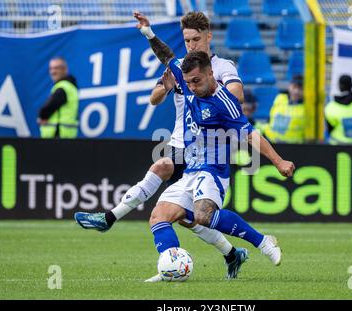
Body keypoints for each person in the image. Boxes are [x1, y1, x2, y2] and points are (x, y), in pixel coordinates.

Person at [75, 12, 249, 280]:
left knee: (163, 171)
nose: (191, 45)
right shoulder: (179, 67)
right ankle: (218, 257)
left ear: (208, 37)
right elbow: (154, 98)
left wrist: (208, 89)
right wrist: (165, 85)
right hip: (181, 143)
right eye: (187, 40)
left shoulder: (223, 67)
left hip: (207, 149)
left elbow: (236, 96)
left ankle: (109, 218)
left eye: (196, 39)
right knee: (182, 217)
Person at [129, 12, 295, 282]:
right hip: (192, 167)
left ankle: (263, 241)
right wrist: (148, 32)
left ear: (211, 74)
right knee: (159, 216)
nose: (191, 87)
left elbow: (249, 134)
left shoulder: (223, 99)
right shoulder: (187, 77)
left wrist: (278, 162)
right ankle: (170, 266)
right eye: (188, 83)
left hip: (214, 167)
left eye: (197, 81)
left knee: (204, 215)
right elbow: (167, 57)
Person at [38, 57, 79, 138]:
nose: (53, 71)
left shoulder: (63, 87)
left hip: (58, 134)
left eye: (57, 68)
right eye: (51, 68)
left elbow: (49, 106)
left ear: (65, 69)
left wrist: (42, 116)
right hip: (66, 134)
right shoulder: (69, 86)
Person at [263, 75, 305, 144]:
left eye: (301, 88)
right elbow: (270, 119)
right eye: (294, 87)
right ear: (289, 86)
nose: (296, 91)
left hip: (293, 147)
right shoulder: (280, 98)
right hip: (270, 142)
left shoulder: (307, 108)